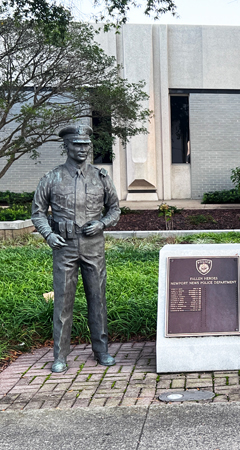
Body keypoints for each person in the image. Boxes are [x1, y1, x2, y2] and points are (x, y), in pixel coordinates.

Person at [31, 125, 121, 373]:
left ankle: (101, 351)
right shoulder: (51, 178)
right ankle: (60, 356)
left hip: (93, 245)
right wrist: (48, 235)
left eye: (85, 145)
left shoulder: (100, 177)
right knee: (62, 302)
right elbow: (37, 213)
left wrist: (102, 222)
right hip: (65, 246)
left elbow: (115, 209)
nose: (82, 149)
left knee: (97, 299)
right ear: (66, 146)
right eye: (76, 144)